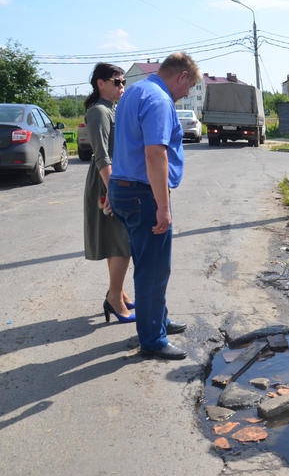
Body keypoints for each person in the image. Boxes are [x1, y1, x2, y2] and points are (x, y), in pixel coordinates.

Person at [109, 52, 201, 360]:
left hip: (124, 188)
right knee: (153, 269)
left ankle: (157, 320)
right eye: (189, 87)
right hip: (143, 194)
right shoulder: (160, 101)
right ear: (181, 76)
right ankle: (152, 339)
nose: (187, 94)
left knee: (149, 262)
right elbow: (154, 155)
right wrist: (163, 206)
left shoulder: (135, 90)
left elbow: (125, 143)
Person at [83, 63, 135, 323]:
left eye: (123, 82)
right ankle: (114, 298)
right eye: (116, 82)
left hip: (113, 179)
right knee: (123, 243)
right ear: (100, 83)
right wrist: (113, 191)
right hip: (107, 181)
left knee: (117, 241)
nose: (121, 87)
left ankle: (119, 291)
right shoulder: (99, 112)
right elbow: (101, 156)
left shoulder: (111, 109)